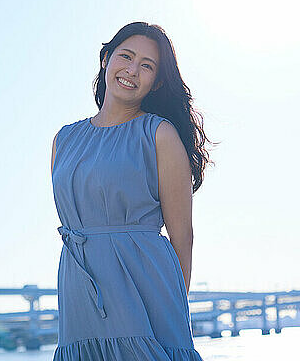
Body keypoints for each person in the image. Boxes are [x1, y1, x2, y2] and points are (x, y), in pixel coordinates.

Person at [50, 21, 215, 360]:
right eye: (125, 56)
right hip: (78, 284)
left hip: (144, 287)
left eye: (147, 66)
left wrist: (174, 309)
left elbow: (182, 235)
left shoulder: (160, 136)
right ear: (106, 59)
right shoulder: (64, 140)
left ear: (156, 82)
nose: (132, 70)